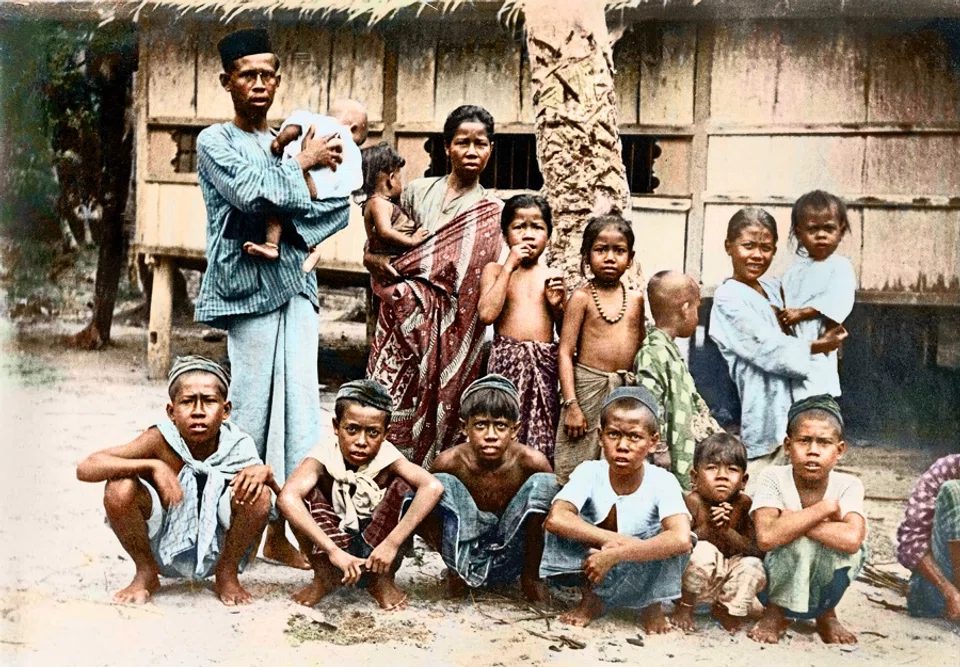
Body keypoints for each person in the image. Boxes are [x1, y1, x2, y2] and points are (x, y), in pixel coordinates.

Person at [194, 28, 350, 569]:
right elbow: (249, 194)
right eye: (247, 75)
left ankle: (286, 530)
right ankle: (236, 529)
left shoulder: (294, 136)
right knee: (252, 409)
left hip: (296, 283)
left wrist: (297, 182)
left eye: (267, 75)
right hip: (247, 286)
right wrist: (300, 167)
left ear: (278, 80)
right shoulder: (215, 142)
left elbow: (335, 206)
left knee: (301, 410)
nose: (259, 84)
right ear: (227, 82)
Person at [365, 105, 503, 467]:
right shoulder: (416, 192)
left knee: (446, 416)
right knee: (385, 405)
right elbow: (385, 242)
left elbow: (473, 275)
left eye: (480, 144)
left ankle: (428, 487)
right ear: (446, 147)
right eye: (462, 142)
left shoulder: (492, 210)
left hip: (453, 330)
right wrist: (372, 258)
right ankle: (380, 487)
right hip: (401, 321)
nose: (471, 151)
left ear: (491, 149)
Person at [76, 356, 273, 606]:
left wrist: (265, 472)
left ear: (225, 410)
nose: (198, 411)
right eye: (188, 402)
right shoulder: (160, 439)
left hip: (219, 548)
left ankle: (227, 573)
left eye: (209, 401)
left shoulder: (237, 444)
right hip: (160, 547)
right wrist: (152, 465)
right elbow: (87, 467)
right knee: (119, 487)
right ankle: (145, 572)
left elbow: (277, 499)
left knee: (259, 494)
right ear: (171, 412)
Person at [277, 379, 444, 611]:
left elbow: (432, 487)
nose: (361, 442)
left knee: (406, 489)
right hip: (332, 544)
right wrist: (333, 551)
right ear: (336, 426)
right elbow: (287, 498)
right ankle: (324, 577)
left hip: (378, 548)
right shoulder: (323, 455)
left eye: (373, 432)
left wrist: (391, 543)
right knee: (301, 497)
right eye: (352, 430)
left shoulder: (389, 457)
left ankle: (382, 580)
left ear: (386, 433)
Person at [708, 207, 848, 484]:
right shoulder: (727, 298)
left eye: (766, 248)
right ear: (728, 246)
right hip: (764, 405)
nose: (757, 255)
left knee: (806, 481)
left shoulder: (774, 288)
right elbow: (767, 347)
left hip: (800, 401)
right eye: (748, 246)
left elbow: (815, 305)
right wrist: (818, 346)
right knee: (764, 483)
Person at [540, 386, 693, 632]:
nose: (622, 446)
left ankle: (651, 605)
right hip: (594, 560)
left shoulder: (663, 481)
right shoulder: (590, 471)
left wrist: (616, 554)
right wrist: (615, 541)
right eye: (613, 434)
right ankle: (592, 599)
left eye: (634, 437)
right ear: (600, 437)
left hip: (640, 566)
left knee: (677, 538)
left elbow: (681, 539)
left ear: (653, 442)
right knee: (564, 519)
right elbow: (556, 518)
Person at [418, 374, 560, 603]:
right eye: (481, 425)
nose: (491, 435)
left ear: (515, 429)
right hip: (466, 550)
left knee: (547, 484)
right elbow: (427, 514)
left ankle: (531, 578)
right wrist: (449, 551)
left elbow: (552, 515)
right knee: (435, 486)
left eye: (500, 426)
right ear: (465, 427)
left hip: (512, 552)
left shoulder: (531, 462)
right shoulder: (450, 462)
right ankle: (457, 573)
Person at [748, 395, 867, 645]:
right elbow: (767, 537)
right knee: (798, 544)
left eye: (824, 442)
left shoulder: (849, 484)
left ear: (839, 450)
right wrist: (826, 509)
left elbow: (852, 540)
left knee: (845, 549)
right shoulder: (773, 477)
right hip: (774, 582)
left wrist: (794, 521)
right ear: (788, 446)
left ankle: (826, 612)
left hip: (826, 581)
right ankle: (775, 611)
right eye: (804, 441)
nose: (813, 451)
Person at [554, 214, 646, 484]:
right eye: (601, 249)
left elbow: (641, 351)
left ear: (630, 258)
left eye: (619, 251)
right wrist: (571, 405)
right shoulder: (581, 298)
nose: (610, 258)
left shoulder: (636, 300)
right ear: (586, 256)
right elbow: (564, 352)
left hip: (623, 392)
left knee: (619, 460)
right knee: (575, 466)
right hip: (586, 391)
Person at [478, 195, 566, 461]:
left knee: (540, 437)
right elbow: (487, 314)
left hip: (542, 370)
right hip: (506, 368)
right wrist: (509, 267)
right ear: (505, 235)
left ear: (549, 235)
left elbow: (565, 333)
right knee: (502, 428)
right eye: (519, 227)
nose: (528, 234)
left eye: (537, 227)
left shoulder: (552, 276)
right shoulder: (495, 271)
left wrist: (558, 306)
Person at [242, 98, 369, 273]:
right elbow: (354, 182)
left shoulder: (314, 121)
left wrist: (280, 142)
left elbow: (294, 127)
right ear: (353, 128)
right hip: (320, 191)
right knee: (308, 215)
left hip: (303, 179)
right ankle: (311, 249)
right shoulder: (352, 151)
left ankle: (271, 245)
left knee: (277, 203)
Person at [635, 270, 722, 490]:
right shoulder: (653, 351)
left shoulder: (669, 350)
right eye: (696, 308)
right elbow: (649, 402)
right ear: (685, 309)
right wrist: (661, 449)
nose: (697, 316)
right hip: (666, 456)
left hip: (683, 449)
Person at [671, 433, 765, 634]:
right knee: (702, 551)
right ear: (695, 477)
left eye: (732, 469)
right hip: (693, 586)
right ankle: (684, 608)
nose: (722, 476)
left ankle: (726, 609)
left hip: (727, 582)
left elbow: (754, 549)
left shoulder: (744, 504)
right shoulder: (693, 502)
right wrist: (709, 528)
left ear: (743, 480)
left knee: (753, 565)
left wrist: (727, 531)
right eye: (712, 468)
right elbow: (680, 545)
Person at [778, 190, 857, 401]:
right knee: (790, 391)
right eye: (813, 229)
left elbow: (837, 298)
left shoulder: (840, 266)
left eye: (829, 229)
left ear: (840, 231)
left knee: (816, 385)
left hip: (819, 333)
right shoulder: (795, 270)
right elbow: (785, 295)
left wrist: (802, 313)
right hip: (794, 337)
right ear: (799, 233)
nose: (821, 235)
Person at [896, 453, 960, 621]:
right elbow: (911, 545)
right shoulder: (946, 468)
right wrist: (949, 592)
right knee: (953, 490)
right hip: (939, 589)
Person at [357, 142, 429, 259]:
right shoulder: (378, 203)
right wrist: (412, 241)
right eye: (400, 177)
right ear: (391, 179)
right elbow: (385, 232)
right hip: (392, 261)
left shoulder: (381, 202)